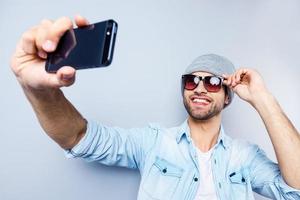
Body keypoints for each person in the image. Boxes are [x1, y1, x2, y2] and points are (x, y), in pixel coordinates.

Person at [10, 15, 300, 200]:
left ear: (227, 96)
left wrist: (263, 97)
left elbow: (296, 190)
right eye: (191, 81)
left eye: (212, 82)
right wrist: (37, 90)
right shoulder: (153, 142)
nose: (199, 87)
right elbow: (79, 139)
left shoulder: (245, 157)